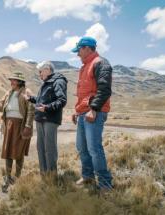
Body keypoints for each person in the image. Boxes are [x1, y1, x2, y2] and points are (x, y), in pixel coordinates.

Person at [71, 36, 113, 191]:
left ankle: (105, 184)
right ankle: (88, 176)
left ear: (87, 48)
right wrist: (77, 111)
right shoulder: (84, 67)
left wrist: (94, 109)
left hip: (94, 112)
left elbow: (104, 90)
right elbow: (84, 94)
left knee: (94, 148)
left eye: (79, 51)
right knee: (82, 147)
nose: (77, 54)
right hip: (83, 113)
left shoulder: (101, 63)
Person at [25, 61, 67, 180]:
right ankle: (44, 175)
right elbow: (41, 100)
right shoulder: (46, 83)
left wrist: (47, 108)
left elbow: (62, 100)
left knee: (49, 148)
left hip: (50, 119)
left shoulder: (58, 81)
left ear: (47, 69)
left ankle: (52, 176)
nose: (39, 74)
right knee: (41, 148)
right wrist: (31, 99)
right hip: (40, 119)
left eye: (40, 71)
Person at [0, 71, 34, 193]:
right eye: (11, 80)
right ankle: (8, 175)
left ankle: (17, 175)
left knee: (19, 150)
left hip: (21, 125)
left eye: (14, 80)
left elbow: (31, 111)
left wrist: (28, 125)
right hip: (9, 125)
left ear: (20, 82)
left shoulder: (27, 92)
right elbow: (2, 108)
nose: (11, 82)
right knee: (8, 150)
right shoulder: (9, 92)